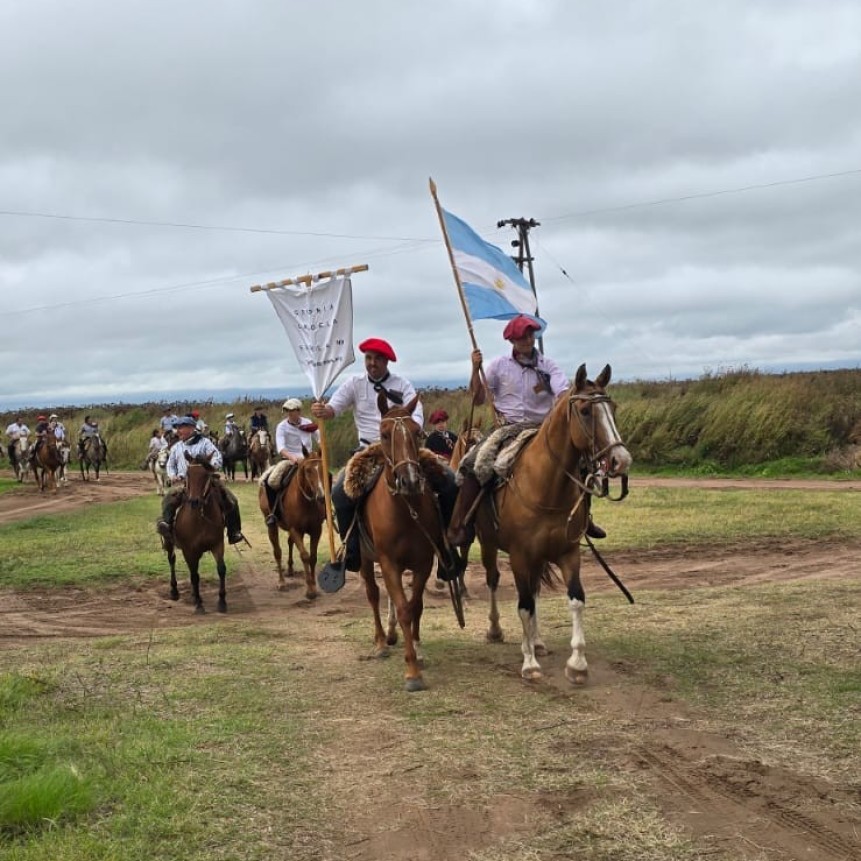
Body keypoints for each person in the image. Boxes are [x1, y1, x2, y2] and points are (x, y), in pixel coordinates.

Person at [447, 314, 605, 547]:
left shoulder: (548, 366)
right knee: (474, 463)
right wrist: (475, 369)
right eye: (521, 337)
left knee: (583, 463)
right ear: (512, 340)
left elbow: (563, 393)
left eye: (530, 335)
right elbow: (479, 398)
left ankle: (584, 518)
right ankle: (465, 524)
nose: (527, 341)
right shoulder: (499, 366)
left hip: (542, 429)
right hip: (508, 429)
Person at [312, 337, 457, 572]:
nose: (372, 363)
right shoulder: (354, 384)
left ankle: (447, 543)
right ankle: (352, 550)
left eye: (377, 359)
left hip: (404, 448)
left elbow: (416, 414)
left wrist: (411, 429)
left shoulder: (403, 385)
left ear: (387, 361)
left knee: (449, 481)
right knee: (339, 493)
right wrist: (322, 410)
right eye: (368, 358)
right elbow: (333, 408)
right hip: (369, 449)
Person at [155, 416, 245, 544]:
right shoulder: (176, 447)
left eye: (181, 428)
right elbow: (170, 465)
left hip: (205, 481)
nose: (178, 431)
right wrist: (173, 475)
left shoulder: (205, 443)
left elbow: (217, 458)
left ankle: (233, 532)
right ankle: (167, 527)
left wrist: (211, 467)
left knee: (232, 500)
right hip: (184, 483)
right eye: (177, 428)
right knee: (168, 499)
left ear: (191, 428)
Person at [261, 398, 322, 526]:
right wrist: (293, 458)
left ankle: (326, 510)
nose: (289, 414)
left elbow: (319, 436)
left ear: (299, 411)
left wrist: (321, 449)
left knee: (326, 477)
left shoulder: (308, 422)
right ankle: (273, 513)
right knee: (271, 481)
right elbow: (281, 448)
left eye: (292, 411)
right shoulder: (282, 427)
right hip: (289, 460)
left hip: (309, 460)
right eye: (287, 411)